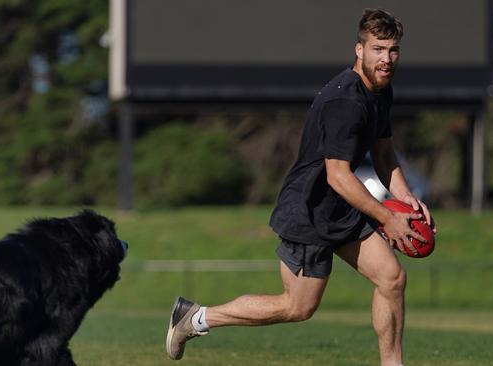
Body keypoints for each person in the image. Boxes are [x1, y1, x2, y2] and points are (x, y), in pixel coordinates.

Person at [166, 8, 437, 366]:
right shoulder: (346, 101)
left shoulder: (380, 90)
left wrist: (405, 197)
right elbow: (337, 176)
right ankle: (196, 318)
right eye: (377, 49)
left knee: (391, 278)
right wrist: (388, 217)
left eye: (392, 50)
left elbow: (384, 151)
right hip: (309, 211)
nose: (386, 59)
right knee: (297, 307)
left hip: (343, 205)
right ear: (359, 50)